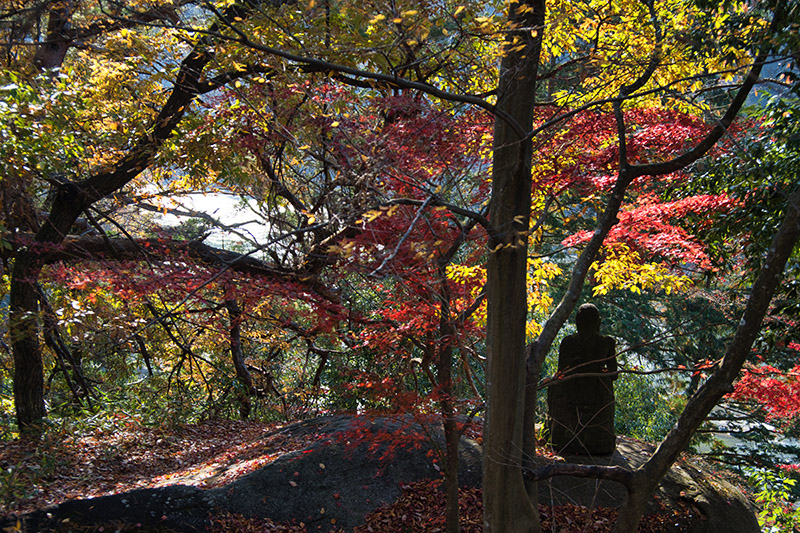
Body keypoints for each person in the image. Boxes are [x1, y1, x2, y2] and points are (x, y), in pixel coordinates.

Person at [547, 303, 617, 455]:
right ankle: (600, 438)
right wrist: (600, 372)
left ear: (577, 322)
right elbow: (614, 374)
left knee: (554, 382)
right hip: (598, 398)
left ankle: (561, 434)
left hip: (571, 394)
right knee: (605, 383)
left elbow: (562, 372)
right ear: (598, 322)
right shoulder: (607, 342)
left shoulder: (568, 342)